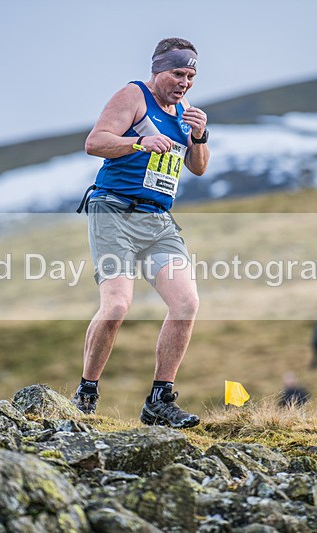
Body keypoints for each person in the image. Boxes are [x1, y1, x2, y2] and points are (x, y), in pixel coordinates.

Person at [71, 38, 210, 428]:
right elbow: (95, 142)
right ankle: (86, 392)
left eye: (191, 76)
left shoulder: (184, 112)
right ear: (158, 70)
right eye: (178, 73)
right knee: (116, 306)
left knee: (186, 303)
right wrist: (139, 142)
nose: (184, 82)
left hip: (158, 221)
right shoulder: (134, 95)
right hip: (114, 210)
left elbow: (197, 168)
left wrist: (199, 136)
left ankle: (159, 400)